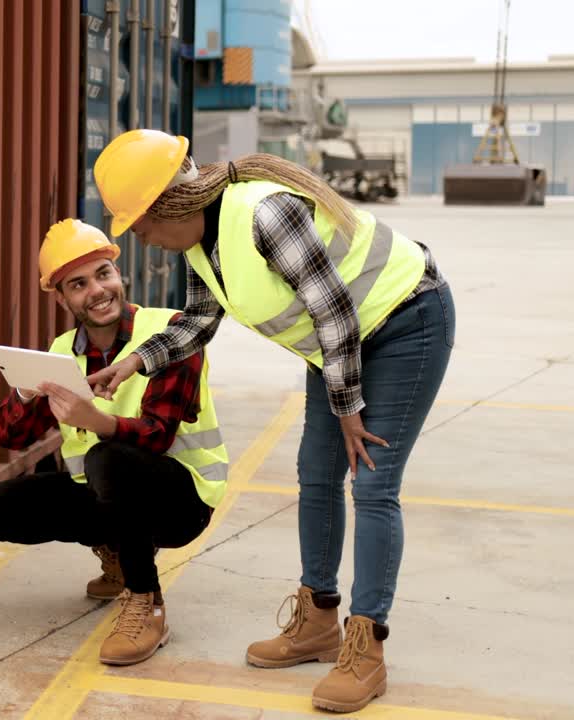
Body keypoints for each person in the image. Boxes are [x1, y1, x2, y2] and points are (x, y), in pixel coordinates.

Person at [87, 129, 455, 713]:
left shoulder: (266, 214)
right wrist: (135, 359)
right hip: (336, 347)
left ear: (169, 205)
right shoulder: (198, 245)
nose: (145, 241)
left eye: (142, 226)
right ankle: (318, 618)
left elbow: (335, 311)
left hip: (407, 320)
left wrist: (350, 410)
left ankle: (367, 644)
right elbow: (199, 322)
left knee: (375, 482)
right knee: (315, 475)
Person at [0, 218, 229, 667]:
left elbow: (157, 435)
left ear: (118, 273)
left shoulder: (170, 332)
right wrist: (27, 390)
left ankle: (146, 602)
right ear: (62, 296)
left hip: (180, 501)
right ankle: (117, 552)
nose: (97, 291)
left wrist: (94, 421)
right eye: (79, 283)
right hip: (108, 499)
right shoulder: (62, 350)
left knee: (109, 456)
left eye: (103, 274)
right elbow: (9, 436)